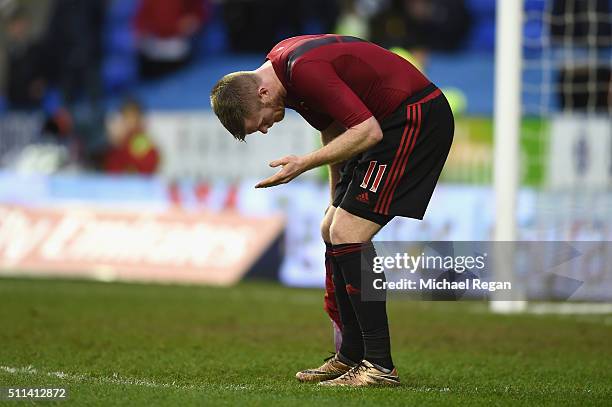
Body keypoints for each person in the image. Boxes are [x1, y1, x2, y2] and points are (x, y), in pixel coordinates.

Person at [210, 34, 454, 387]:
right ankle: (351, 357)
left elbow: (366, 131)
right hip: (390, 123)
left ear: (262, 94)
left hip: (413, 119)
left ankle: (379, 366)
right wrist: (336, 199)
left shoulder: (302, 70)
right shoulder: (283, 71)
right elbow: (333, 128)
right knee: (332, 227)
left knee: (347, 233)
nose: (265, 128)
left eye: (260, 121)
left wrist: (303, 164)